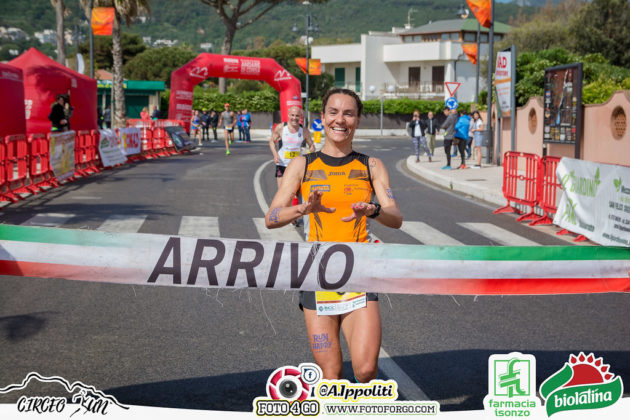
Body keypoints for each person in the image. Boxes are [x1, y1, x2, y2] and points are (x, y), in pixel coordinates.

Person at [265, 88, 403, 383]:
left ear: (357, 120)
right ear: (322, 118)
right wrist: (302, 208)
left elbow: (396, 218)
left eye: (348, 114)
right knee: (331, 374)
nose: (340, 120)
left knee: (366, 370)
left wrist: (373, 210)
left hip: (359, 273)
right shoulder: (302, 164)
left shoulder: (372, 166)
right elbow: (271, 217)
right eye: (333, 112)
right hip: (316, 275)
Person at [269, 105, 315, 189]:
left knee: (295, 190)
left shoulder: (304, 131)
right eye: (292, 115)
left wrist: (309, 154)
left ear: (300, 116)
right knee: (282, 190)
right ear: (288, 115)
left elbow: (311, 145)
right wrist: (275, 154)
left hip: (296, 165)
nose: (294, 118)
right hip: (282, 163)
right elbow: (271, 141)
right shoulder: (281, 128)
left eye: (297, 115)